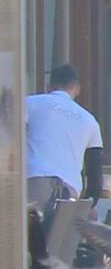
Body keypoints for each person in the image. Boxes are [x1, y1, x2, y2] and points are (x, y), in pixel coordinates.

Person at [26, 62, 101, 205]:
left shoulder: (31, 103)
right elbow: (94, 171)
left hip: (35, 179)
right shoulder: (90, 121)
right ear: (77, 89)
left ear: (49, 86)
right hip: (70, 188)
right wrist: (91, 203)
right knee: (60, 227)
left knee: (30, 226)